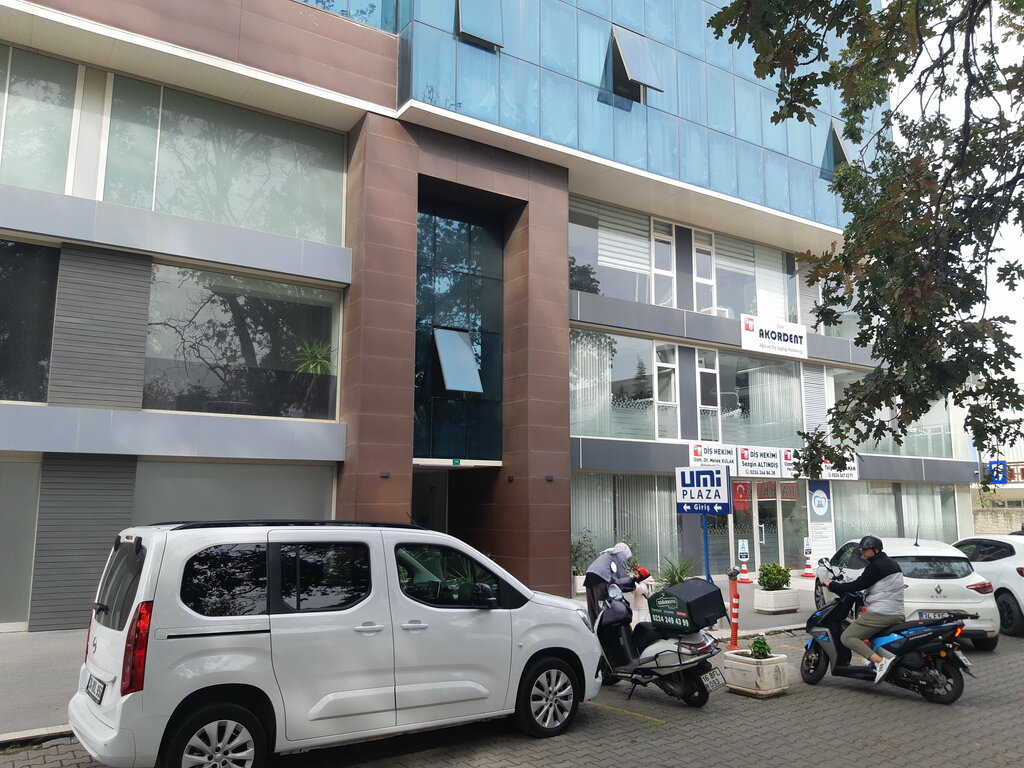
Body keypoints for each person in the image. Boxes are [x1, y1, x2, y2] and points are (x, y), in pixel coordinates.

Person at [821, 535, 905, 683]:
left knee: (847, 637)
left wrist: (832, 585)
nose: (862, 552)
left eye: (865, 550)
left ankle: (880, 662)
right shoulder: (892, 563)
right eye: (862, 550)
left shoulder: (875, 567)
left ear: (876, 550)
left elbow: (856, 585)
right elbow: (881, 587)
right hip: (897, 612)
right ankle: (873, 661)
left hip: (882, 613)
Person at [583, 542, 634, 625]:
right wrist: (633, 581)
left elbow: (612, 572)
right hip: (601, 577)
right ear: (626, 551)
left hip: (589, 575)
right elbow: (622, 575)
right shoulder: (621, 554)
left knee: (592, 605)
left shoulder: (608, 553)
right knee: (601, 605)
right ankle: (602, 627)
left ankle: (593, 627)